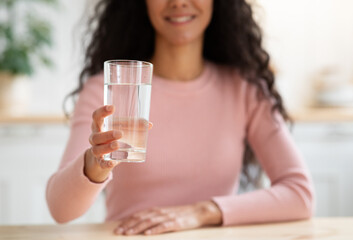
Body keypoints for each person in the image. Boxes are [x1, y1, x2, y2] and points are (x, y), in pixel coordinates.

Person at [46, 0, 314, 236]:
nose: (179, 1)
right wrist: (95, 164)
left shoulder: (245, 89)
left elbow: (299, 194)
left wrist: (202, 212)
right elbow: (60, 209)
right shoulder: (105, 89)